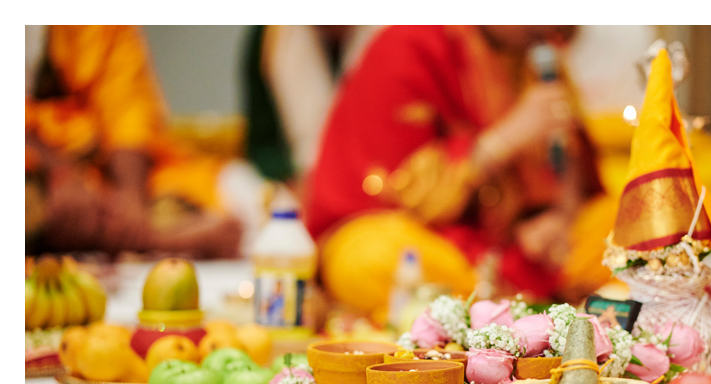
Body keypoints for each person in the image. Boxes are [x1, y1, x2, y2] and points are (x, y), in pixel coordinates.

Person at [303, 25, 618, 323]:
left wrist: (561, 218)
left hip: (521, 249)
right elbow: (399, 191)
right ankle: (504, 309)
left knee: (622, 222)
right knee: (365, 256)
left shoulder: (535, 49)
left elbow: (569, 161)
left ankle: (499, 309)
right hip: (438, 247)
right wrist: (505, 140)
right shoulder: (410, 43)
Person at [25, 25, 244, 258]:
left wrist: (130, 201)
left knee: (232, 189)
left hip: (101, 177)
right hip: (43, 179)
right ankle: (151, 241)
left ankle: (136, 232)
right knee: (48, 208)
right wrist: (62, 174)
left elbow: (129, 112)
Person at [242, 25, 378, 186]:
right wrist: (289, 177)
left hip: (377, 179)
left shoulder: (396, 35)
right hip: (298, 184)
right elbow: (264, 145)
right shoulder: (269, 35)